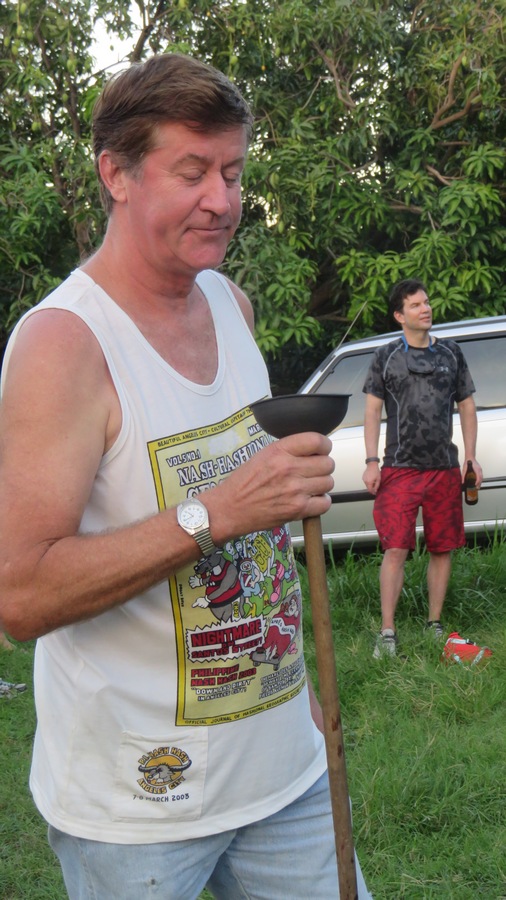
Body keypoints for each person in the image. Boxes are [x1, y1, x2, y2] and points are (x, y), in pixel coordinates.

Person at [0, 54, 372, 899]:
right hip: (137, 803)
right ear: (117, 175)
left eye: (233, 174)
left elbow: (261, 537)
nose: (223, 200)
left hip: (287, 773)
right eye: (193, 172)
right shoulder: (64, 346)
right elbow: (19, 594)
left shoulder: (230, 305)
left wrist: (301, 704)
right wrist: (216, 513)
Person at [362, 278, 482, 658]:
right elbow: (372, 411)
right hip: (399, 468)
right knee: (395, 548)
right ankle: (387, 631)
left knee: (442, 548)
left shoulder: (451, 353)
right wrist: (371, 462)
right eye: (415, 305)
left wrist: (470, 457)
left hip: (444, 467)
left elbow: (466, 406)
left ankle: (434, 624)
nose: (425, 309)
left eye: (426, 302)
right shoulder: (385, 356)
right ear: (400, 315)